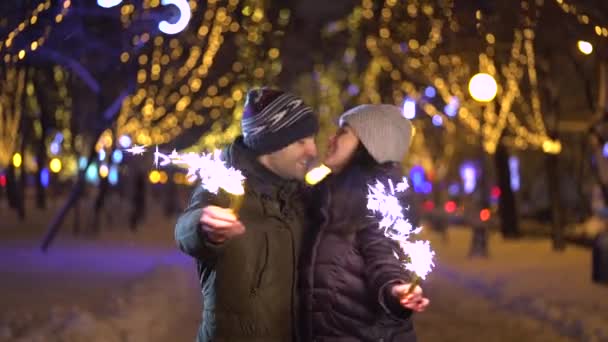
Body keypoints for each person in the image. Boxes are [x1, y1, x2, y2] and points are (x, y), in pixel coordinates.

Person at [175, 87, 319, 342]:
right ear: (271, 144)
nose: (313, 151)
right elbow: (186, 230)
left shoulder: (304, 196)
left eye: (312, 140)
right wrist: (203, 226)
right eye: (301, 141)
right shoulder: (226, 186)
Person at [300, 104, 430, 342]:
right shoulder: (325, 194)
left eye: (343, 132)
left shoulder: (381, 200)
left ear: (370, 144)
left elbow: (383, 254)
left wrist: (395, 289)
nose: (331, 138)